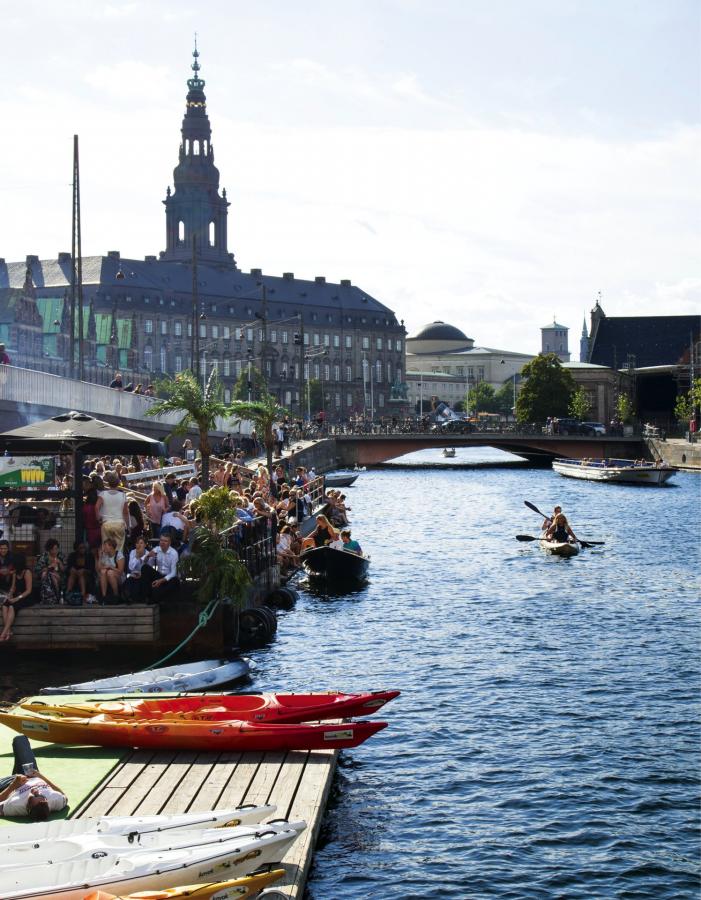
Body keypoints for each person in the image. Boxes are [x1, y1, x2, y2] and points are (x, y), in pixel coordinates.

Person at [0, 736, 67, 820]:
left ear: (28, 807)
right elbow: (63, 795)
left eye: (32, 796)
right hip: (32, 774)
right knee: (20, 739)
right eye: (39, 794)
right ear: (46, 801)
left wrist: (13, 785)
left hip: (12, 784)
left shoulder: (16, 805)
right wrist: (40, 776)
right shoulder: (55, 800)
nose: (35, 791)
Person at [1, 554, 34, 641]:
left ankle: (3, 633)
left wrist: (16, 598)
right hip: (17, 595)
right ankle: (8, 631)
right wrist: (10, 594)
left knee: (12, 606)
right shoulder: (15, 572)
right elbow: (13, 587)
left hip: (26, 597)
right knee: (5, 605)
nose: (13, 566)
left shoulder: (27, 572)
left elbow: (28, 590)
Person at [96, 471, 129, 553]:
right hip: (119, 524)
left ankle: (107, 560)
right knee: (119, 549)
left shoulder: (102, 494)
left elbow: (96, 507)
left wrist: (99, 518)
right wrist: (128, 526)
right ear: (118, 483)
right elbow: (125, 512)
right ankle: (118, 560)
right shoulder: (123, 495)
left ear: (108, 483)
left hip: (106, 523)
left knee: (106, 548)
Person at [142, 533, 180, 603]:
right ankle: (146, 595)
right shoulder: (156, 549)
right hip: (159, 575)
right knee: (145, 568)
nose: (162, 542)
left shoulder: (174, 553)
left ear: (169, 543)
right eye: (161, 540)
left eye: (165, 541)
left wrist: (161, 581)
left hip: (168, 578)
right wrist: (148, 556)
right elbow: (147, 563)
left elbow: (173, 573)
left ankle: (155, 598)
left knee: (174, 581)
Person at [34, 539, 65, 606]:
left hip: (59, 576)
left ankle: (53, 597)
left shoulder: (60, 556)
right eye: (53, 549)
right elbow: (38, 570)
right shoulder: (44, 557)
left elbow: (64, 570)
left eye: (56, 549)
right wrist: (49, 567)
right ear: (49, 549)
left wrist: (60, 563)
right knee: (49, 575)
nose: (55, 551)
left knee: (53, 576)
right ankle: (55, 597)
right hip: (47, 576)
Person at [96, 538, 125, 603]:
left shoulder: (119, 554)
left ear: (111, 546)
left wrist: (110, 567)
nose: (104, 548)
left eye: (105, 546)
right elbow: (99, 569)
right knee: (103, 572)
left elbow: (120, 571)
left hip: (119, 577)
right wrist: (100, 557)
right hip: (107, 576)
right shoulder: (104, 555)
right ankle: (104, 596)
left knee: (110, 572)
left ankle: (116, 595)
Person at [125, 535, 150, 603]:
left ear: (145, 545)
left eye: (141, 543)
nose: (139, 545)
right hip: (134, 575)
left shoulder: (148, 553)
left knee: (141, 582)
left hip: (144, 576)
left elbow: (149, 568)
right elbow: (130, 567)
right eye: (137, 543)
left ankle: (142, 598)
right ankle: (128, 598)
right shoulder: (132, 552)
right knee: (129, 581)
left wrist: (141, 574)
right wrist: (137, 556)